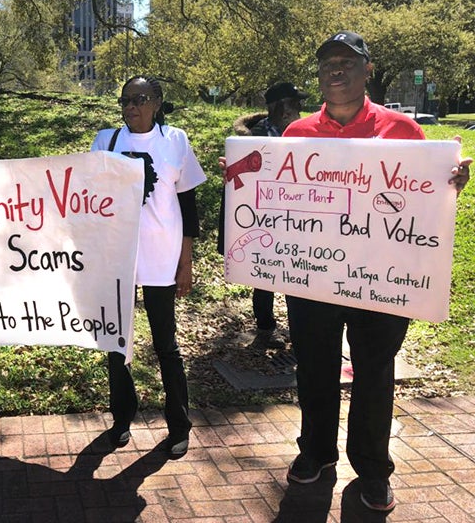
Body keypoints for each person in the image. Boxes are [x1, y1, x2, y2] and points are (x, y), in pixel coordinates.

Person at [280, 31, 471, 512]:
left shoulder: (403, 130)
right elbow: (276, 197)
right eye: (327, 64)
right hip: (313, 277)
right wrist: (244, 176)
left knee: (374, 372)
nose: (336, 71)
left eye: (347, 62)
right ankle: (316, 454)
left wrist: (451, 186)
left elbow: (424, 204)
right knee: (315, 368)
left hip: (381, 280)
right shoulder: (296, 134)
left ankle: (372, 468)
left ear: (368, 70)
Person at [91, 76, 207, 459]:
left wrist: (185, 262)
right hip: (118, 259)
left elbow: (188, 206)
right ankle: (122, 417)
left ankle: (179, 424)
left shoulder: (175, 140)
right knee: (116, 344)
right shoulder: (105, 141)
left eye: (139, 99)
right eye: (125, 100)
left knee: (166, 344)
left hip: (162, 257)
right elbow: (88, 202)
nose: (130, 107)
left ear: (157, 101)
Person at [219, 81, 308, 349]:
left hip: (297, 219)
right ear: (282, 108)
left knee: (298, 273)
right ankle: (266, 327)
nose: (301, 110)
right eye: (296, 105)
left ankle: (300, 330)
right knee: (264, 275)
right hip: (262, 219)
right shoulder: (252, 141)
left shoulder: (303, 135)